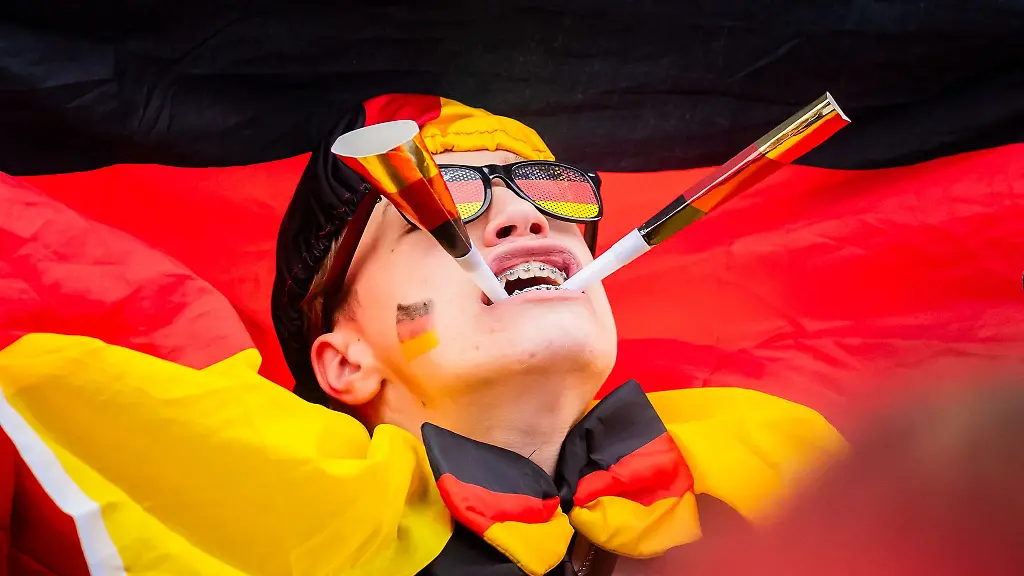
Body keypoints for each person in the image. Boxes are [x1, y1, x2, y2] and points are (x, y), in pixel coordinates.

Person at [271, 94, 847, 575]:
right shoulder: (274, 517)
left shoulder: (783, 468)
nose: (526, 217)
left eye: (545, 190)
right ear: (347, 363)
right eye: (440, 206)